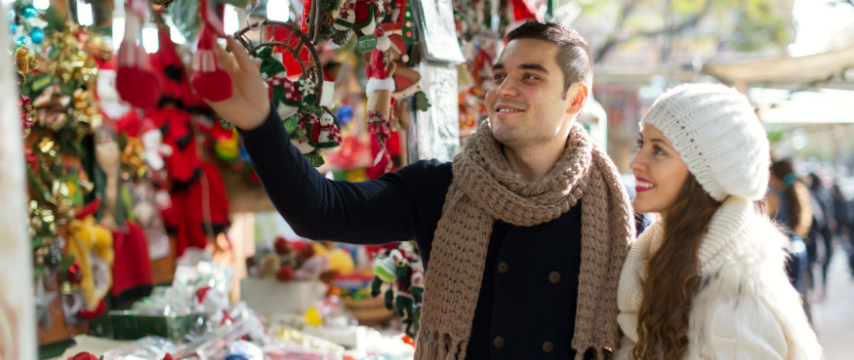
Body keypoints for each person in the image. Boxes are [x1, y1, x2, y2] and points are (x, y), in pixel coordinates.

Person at [205, 21, 637, 359]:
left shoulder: (620, 217)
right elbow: (320, 210)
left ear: (576, 99)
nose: (504, 90)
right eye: (500, 74)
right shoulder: (439, 187)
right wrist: (259, 124)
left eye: (530, 77)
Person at [614, 84, 821, 360]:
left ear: (706, 173)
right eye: (641, 144)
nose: (636, 162)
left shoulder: (735, 302)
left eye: (659, 150)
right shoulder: (663, 257)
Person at [768, 159, 814, 322]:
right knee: (802, 300)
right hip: (798, 247)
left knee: (787, 305)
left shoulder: (773, 198)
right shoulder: (797, 191)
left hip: (783, 252)